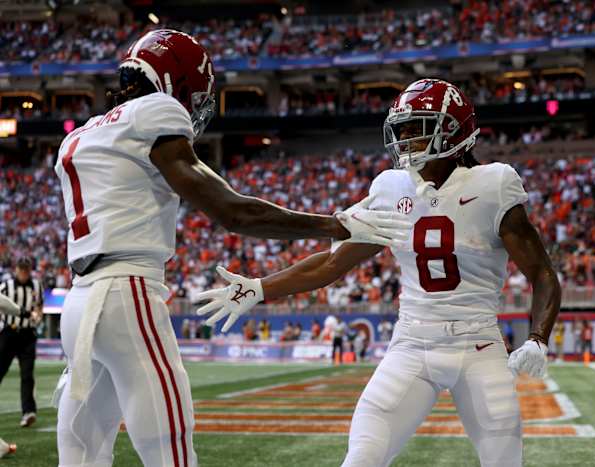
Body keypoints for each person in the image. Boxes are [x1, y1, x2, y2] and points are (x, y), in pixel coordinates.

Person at [53, 29, 410, 467]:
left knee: (82, 456)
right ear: (176, 82)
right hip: (126, 295)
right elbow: (233, 212)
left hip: (79, 303)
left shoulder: (81, 135)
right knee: (171, 450)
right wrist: (335, 225)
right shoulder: (155, 112)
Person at [197, 79, 561, 467]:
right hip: (411, 343)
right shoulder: (391, 188)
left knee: (504, 460)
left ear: (454, 130)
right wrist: (258, 288)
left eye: (416, 126)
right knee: (361, 458)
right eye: (400, 128)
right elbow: (333, 262)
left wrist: (539, 338)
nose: (404, 137)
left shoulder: (494, 184)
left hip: (478, 345)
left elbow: (542, 273)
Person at [0, 257, 44, 428]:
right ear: (16, 269)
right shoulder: (6, 286)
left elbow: (39, 306)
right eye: (21, 269)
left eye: (27, 269)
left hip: (27, 335)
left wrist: (38, 317)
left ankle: (28, 412)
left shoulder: (37, 285)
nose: (24, 273)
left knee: (27, 375)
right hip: (9, 333)